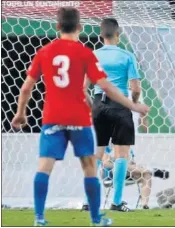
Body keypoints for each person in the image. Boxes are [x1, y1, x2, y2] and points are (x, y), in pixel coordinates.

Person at [10, 7, 148, 226]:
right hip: (79, 118)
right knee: (90, 166)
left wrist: (20, 113)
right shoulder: (84, 53)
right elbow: (105, 85)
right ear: (80, 28)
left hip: (53, 118)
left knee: (44, 167)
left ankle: (39, 218)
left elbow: (26, 88)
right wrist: (133, 104)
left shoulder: (45, 52)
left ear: (57, 27)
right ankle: (96, 218)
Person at [92, 18, 142, 212]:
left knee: (97, 153)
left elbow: (84, 84)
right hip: (120, 103)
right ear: (118, 35)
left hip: (98, 102)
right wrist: (134, 103)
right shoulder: (126, 55)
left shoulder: (93, 55)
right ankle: (117, 202)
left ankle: (88, 201)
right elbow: (135, 87)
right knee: (122, 154)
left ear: (101, 36)